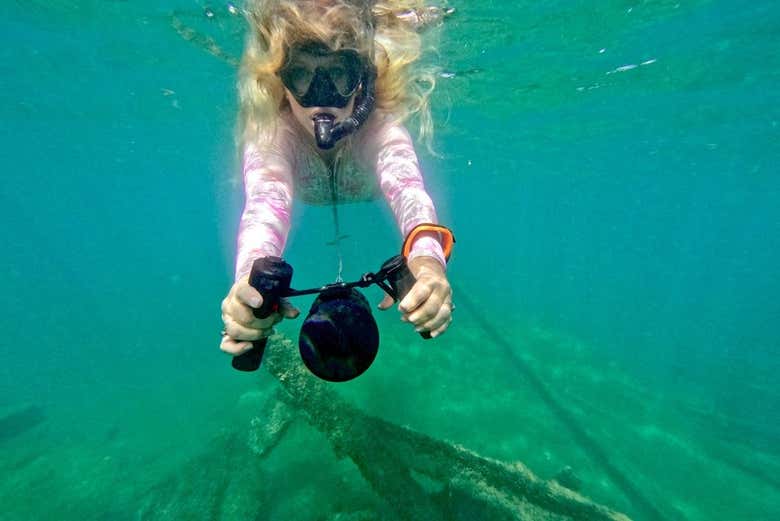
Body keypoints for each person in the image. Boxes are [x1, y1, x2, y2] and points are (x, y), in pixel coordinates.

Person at [220, 0, 455, 358]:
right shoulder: (273, 137)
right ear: (281, 82)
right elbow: (264, 204)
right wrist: (246, 287)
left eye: (339, 73)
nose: (321, 98)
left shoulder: (379, 129)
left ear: (363, 81)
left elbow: (409, 190)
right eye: (301, 74)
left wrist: (427, 264)